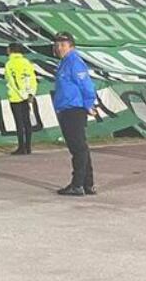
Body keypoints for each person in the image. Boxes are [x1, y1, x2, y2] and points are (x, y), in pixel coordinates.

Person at [51, 31, 97, 196]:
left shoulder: (74, 62)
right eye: (57, 44)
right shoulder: (64, 62)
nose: (59, 48)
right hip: (67, 108)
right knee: (81, 147)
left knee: (78, 148)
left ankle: (77, 184)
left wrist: (89, 104)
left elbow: (86, 85)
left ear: (71, 46)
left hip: (73, 109)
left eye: (63, 45)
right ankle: (87, 184)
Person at [5, 43, 39, 155]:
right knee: (27, 121)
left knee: (19, 123)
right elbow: (32, 78)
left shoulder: (9, 64)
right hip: (27, 96)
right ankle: (28, 147)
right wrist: (31, 93)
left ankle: (21, 147)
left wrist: (21, 94)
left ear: (11, 50)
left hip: (16, 97)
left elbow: (13, 81)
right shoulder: (26, 62)